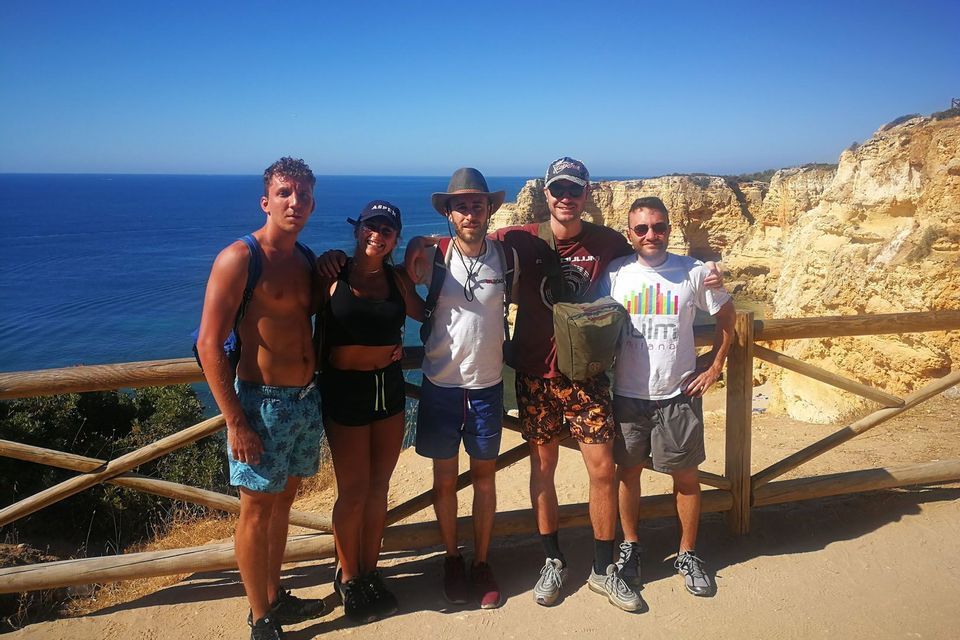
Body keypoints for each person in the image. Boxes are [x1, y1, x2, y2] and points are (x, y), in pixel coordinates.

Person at [489, 157, 643, 611]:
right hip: (535, 375)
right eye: (557, 189)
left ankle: (601, 568)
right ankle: (553, 560)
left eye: (574, 190)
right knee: (543, 471)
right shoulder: (519, 238)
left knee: (602, 470)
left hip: (588, 377)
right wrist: (419, 244)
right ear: (547, 194)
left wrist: (702, 274)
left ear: (586, 194)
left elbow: (651, 259)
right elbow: (467, 239)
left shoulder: (608, 242)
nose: (565, 198)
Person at [196, 157, 326, 640]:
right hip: (260, 403)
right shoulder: (239, 257)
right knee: (255, 510)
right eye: (286, 193)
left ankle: (274, 595)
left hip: (304, 400)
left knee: (283, 504)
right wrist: (234, 420)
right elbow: (209, 343)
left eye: (305, 195)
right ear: (266, 200)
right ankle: (260, 617)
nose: (296, 202)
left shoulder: (306, 258)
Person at [604, 196, 735, 598]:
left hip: (677, 394)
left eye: (658, 227)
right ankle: (630, 547)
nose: (651, 235)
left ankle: (688, 553)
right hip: (627, 394)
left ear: (669, 229)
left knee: (687, 479)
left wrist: (714, 366)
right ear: (629, 234)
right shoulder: (615, 273)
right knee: (626, 476)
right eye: (641, 229)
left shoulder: (693, 271)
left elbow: (726, 318)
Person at [403, 168, 515, 609]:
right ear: (448, 212)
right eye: (461, 205)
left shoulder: (506, 257)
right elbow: (398, 283)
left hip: (487, 387)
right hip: (440, 386)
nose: (470, 212)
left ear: (489, 210)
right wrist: (415, 246)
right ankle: (452, 558)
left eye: (477, 204)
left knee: (485, 481)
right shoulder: (434, 256)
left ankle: (482, 562)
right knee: (444, 481)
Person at [319, 200, 424, 624]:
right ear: (358, 228)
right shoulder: (331, 273)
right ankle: (348, 574)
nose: (377, 234)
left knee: (380, 485)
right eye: (371, 226)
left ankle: (370, 570)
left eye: (387, 230)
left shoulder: (398, 280)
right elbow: (288, 313)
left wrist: (423, 246)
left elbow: (431, 313)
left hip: (390, 386)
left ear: (395, 239)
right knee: (353, 489)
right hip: (345, 388)